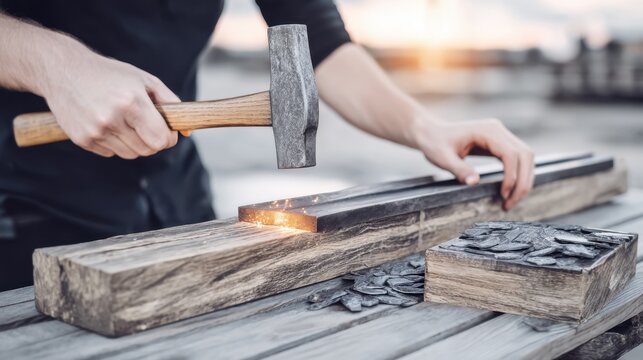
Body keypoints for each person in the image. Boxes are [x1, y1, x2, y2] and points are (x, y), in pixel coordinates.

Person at [0, 0, 534, 291]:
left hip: (177, 205)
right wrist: (56, 65)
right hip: (25, 209)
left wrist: (424, 127)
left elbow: (322, 45)